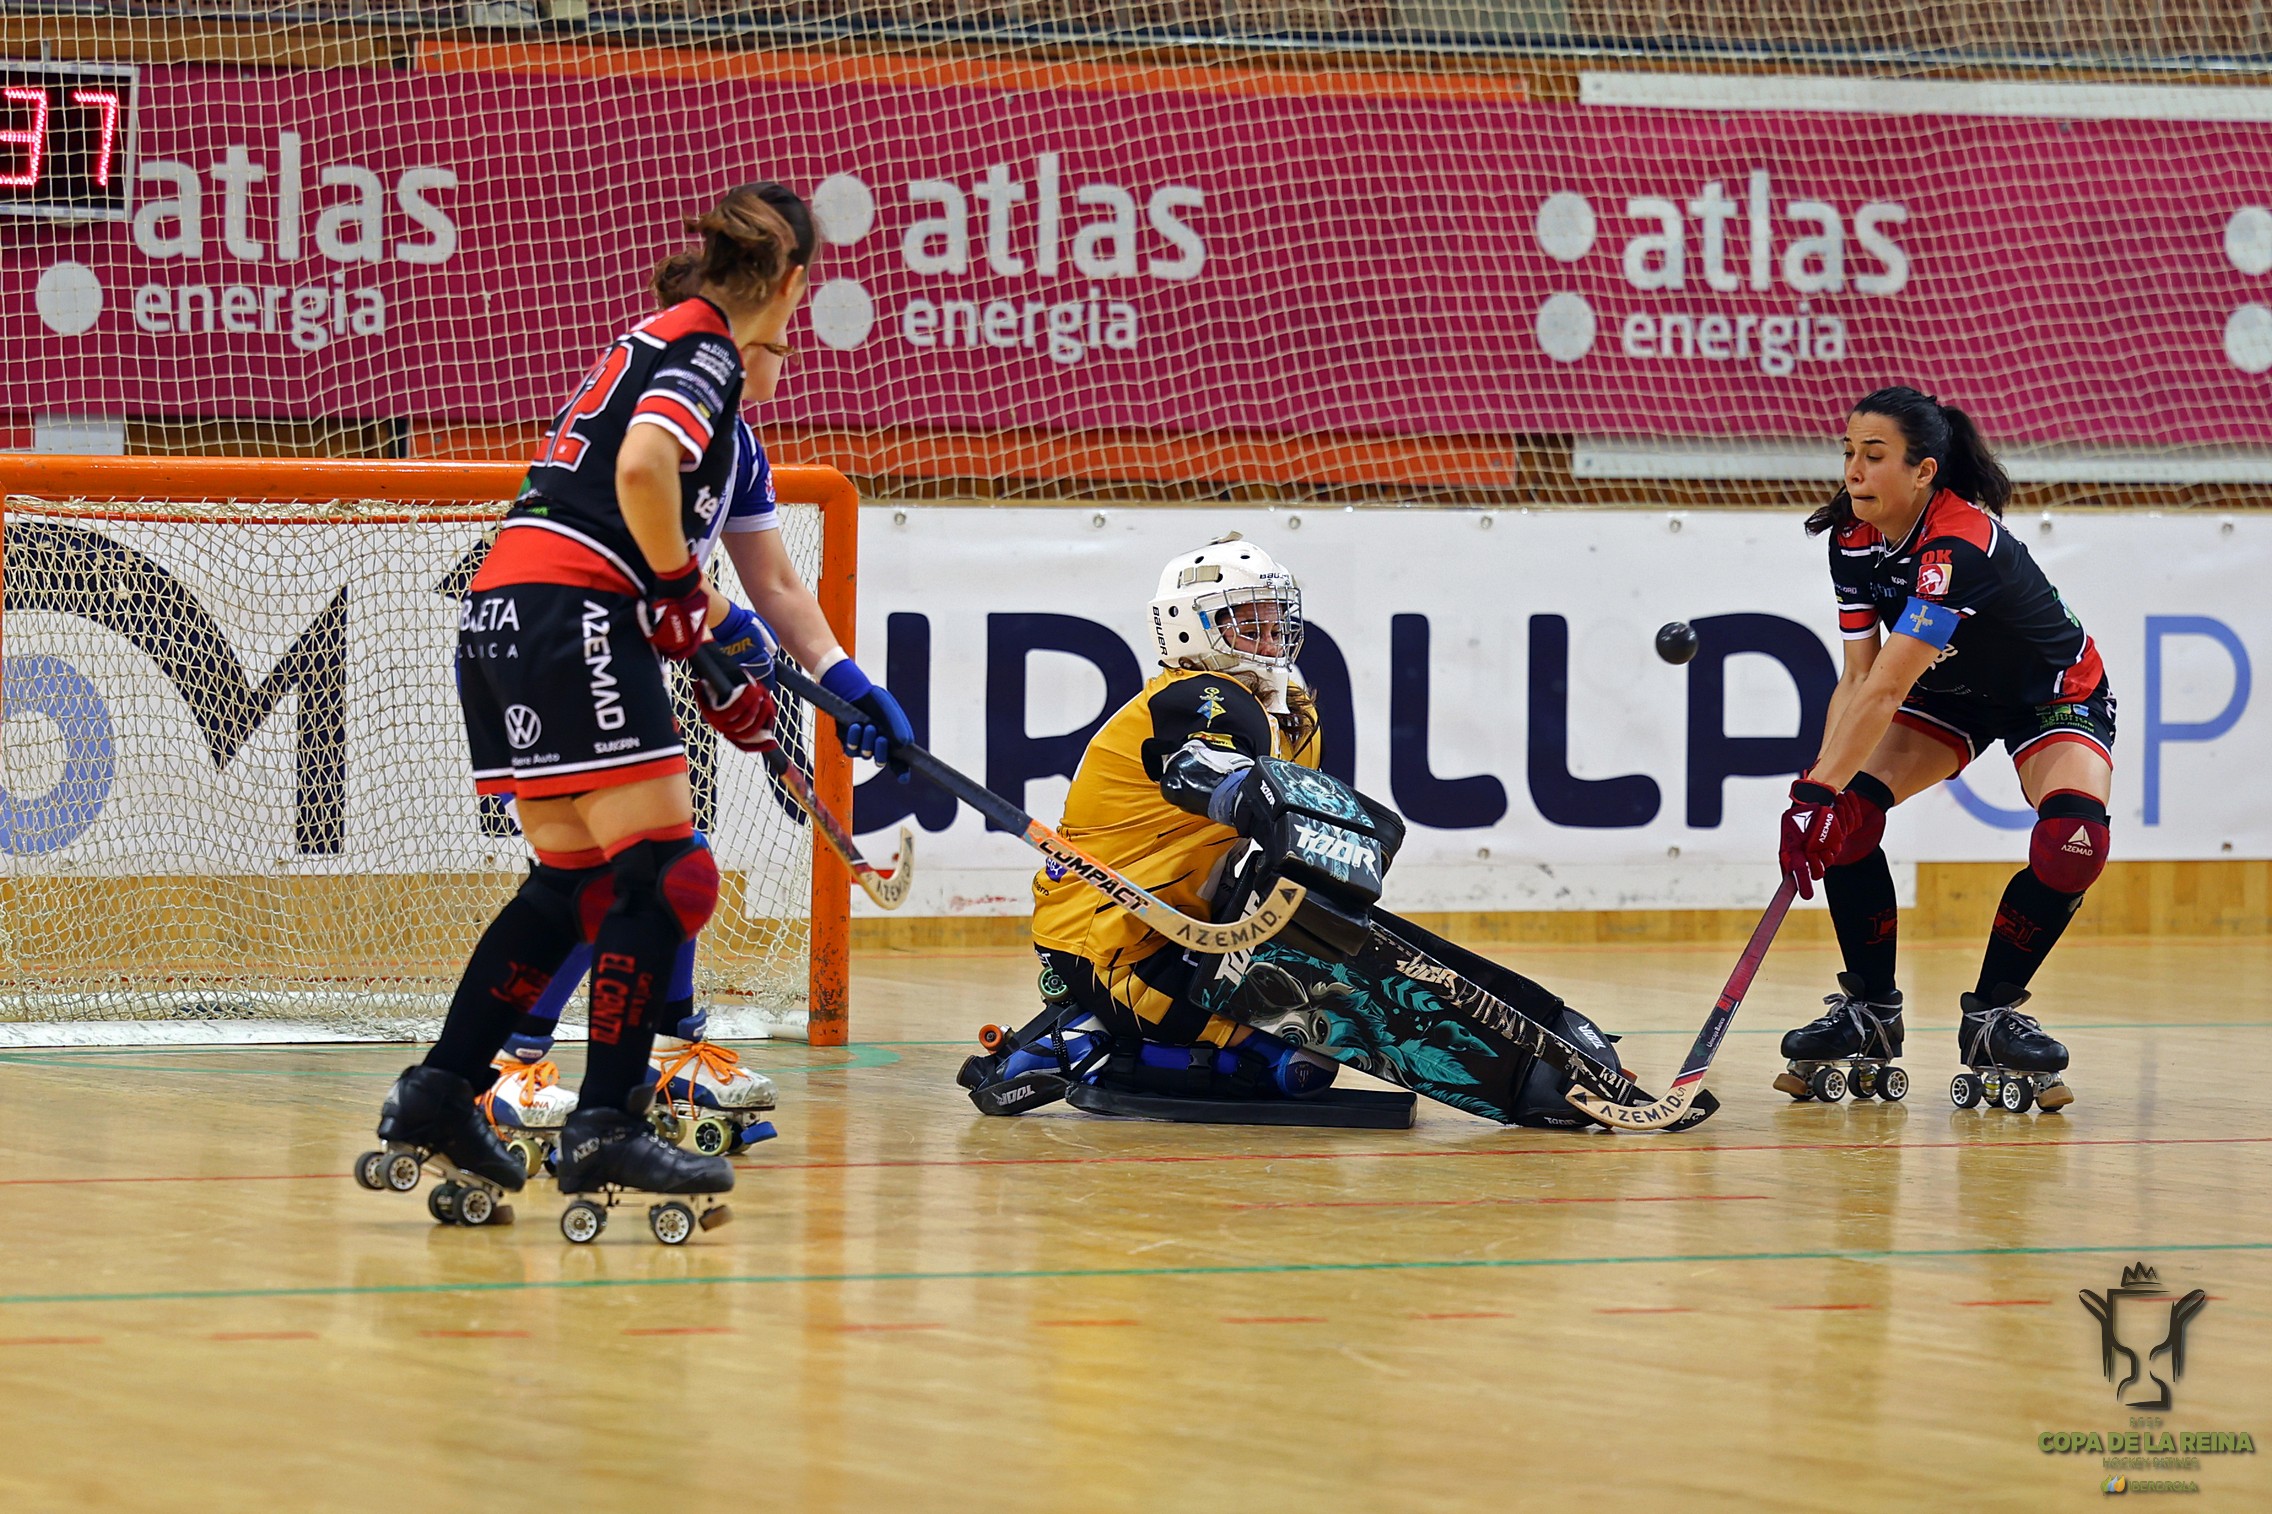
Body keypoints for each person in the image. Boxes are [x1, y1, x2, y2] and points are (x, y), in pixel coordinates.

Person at [363, 183, 900, 1229]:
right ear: (792, 283)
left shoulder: (664, 347)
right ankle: (607, 1119)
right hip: (576, 608)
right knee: (667, 875)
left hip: (508, 609)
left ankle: (439, 1092)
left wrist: (843, 684)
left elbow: (771, 581)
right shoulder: (705, 350)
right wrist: (680, 597)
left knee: (573, 884)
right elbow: (645, 465)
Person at [958, 537, 1644, 1130]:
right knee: (1297, 1065)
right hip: (1114, 945)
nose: (1269, 639)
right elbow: (1194, 765)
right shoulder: (1195, 696)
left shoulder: (1291, 714)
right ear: (1188, 628)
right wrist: (1241, 792)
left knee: (1326, 961)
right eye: (1246, 622)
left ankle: (1552, 1045)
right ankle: (1082, 1041)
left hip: (1192, 925)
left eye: (1274, 620)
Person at [480, 413, 911, 1163]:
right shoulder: (655, 414)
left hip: (613, 648)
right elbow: (623, 546)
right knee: (608, 873)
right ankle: (503, 1065)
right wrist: (721, 619)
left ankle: (669, 1052)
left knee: (671, 864)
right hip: (551, 634)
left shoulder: (736, 441)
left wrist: (845, 680)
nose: (784, 359)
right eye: (773, 347)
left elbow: (775, 580)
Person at [1775, 387, 2112, 1113]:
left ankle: (1994, 1014)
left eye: (1874, 456)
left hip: (2051, 693)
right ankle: (1870, 1009)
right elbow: (1857, 677)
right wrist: (1819, 795)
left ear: (1924, 470)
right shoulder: (1852, 539)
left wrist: (1816, 791)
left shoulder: (1957, 545)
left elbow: (1887, 686)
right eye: (1848, 453)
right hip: (1950, 694)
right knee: (1848, 820)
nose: (1854, 471)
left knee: (2071, 844)